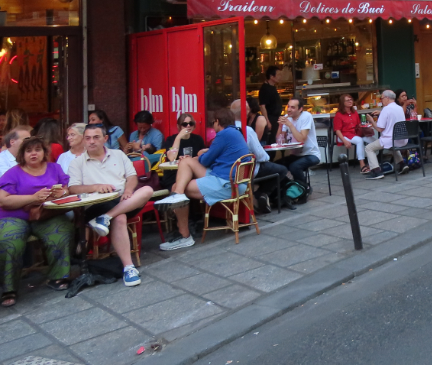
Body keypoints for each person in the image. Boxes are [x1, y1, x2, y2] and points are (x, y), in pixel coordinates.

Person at [67, 123, 154, 286]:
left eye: (96, 137)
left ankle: (106, 218)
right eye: (88, 138)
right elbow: (73, 188)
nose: (91, 141)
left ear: (105, 138)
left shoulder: (118, 155)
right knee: (119, 218)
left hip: (122, 200)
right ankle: (129, 268)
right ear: (84, 140)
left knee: (147, 190)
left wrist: (128, 190)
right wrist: (95, 187)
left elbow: (132, 177)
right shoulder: (77, 163)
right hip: (96, 205)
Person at [156, 108, 252, 250]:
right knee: (186, 162)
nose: (213, 126)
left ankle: (184, 236)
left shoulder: (223, 135)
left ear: (218, 122)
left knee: (177, 187)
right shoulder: (235, 133)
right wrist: (201, 154)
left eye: (213, 123)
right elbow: (213, 156)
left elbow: (206, 160)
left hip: (227, 183)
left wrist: (201, 154)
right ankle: (178, 196)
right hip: (234, 180)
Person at [0, 136, 73, 307]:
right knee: (10, 241)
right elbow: (3, 200)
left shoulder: (54, 168)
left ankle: (58, 277)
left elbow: (66, 189)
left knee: (62, 230)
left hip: (45, 214)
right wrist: (33, 198)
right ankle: (8, 288)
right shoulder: (13, 173)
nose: (33, 153)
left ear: (44, 152)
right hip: (14, 215)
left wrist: (61, 193)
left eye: (37, 150)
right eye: (29, 150)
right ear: (22, 154)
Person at [230, 99, 291, 213]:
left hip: (231, 170)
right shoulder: (247, 130)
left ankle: (264, 196)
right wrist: (267, 159)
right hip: (248, 170)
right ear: (246, 111)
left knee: (271, 169)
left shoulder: (226, 129)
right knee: (282, 170)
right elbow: (260, 155)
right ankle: (260, 194)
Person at [276, 97, 321, 184]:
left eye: (293, 107)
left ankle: (304, 188)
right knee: (277, 167)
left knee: (294, 167)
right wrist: (280, 126)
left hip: (311, 154)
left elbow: (301, 139)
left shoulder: (306, 116)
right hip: (295, 154)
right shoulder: (287, 117)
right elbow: (279, 141)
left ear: (300, 109)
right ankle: (289, 186)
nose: (289, 109)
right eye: (288, 106)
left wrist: (290, 125)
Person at [363, 90, 405, 179]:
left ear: (387, 98)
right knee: (392, 145)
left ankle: (376, 171)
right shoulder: (400, 108)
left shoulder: (386, 109)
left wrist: (371, 121)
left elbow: (379, 129)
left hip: (390, 139)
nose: (381, 100)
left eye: (381, 98)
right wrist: (381, 112)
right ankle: (402, 164)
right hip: (402, 138)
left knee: (368, 148)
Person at [333, 94, 374, 174]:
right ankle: (362, 165)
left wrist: (366, 126)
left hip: (356, 133)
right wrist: (344, 141)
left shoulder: (354, 112)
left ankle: (372, 163)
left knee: (374, 141)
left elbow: (358, 125)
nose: (350, 101)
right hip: (344, 135)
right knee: (359, 140)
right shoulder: (339, 115)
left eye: (351, 99)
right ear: (343, 102)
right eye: (347, 100)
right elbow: (337, 130)